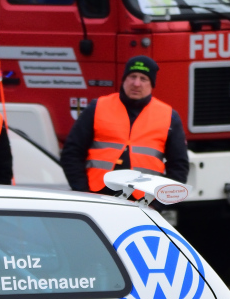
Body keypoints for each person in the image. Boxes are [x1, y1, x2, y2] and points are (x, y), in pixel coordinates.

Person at [60, 55, 189, 194]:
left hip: (143, 201)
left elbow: (179, 167)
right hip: (98, 196)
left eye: (143, 79)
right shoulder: (97, 107)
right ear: (124, 80)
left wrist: (157, 204)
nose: (136, 83)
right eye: (132, 76)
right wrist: (82, 190)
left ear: (152, 84)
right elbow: (71, 153)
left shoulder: (169, 116)